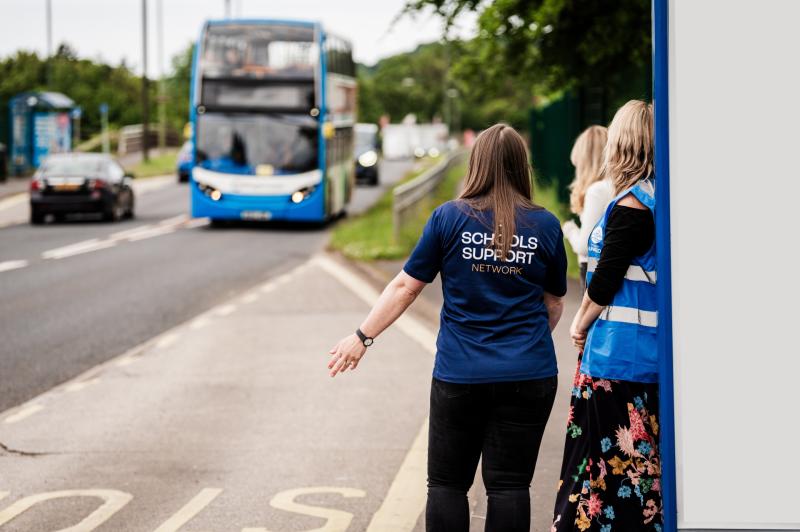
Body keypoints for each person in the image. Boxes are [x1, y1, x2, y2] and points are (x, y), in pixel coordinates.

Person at [327, 124, 568, 532]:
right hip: (529, 373)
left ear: (476, 164)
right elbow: (555, 302)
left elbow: (406, 287)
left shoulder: (448, 218)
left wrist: (362, 337)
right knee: (510, 486)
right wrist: (524, 344)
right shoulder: (545, 225)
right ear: (521, 167)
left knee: (447, 484)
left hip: (461, 374)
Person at [551, 100, 662, 531]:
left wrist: (579, 324)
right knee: (624, 469)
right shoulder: (651, 196)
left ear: (624, 142)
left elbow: (606, 277)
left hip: (621, 357)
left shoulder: (634, 204)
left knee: (615, 472)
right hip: (628, 355)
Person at [562, 126, 613, 291]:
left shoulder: (597, 191)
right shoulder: (614, 186)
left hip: (593, 269)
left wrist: (569, 230)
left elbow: (585, 246)